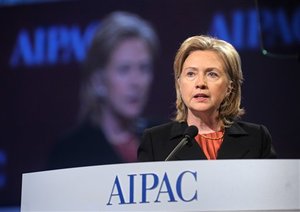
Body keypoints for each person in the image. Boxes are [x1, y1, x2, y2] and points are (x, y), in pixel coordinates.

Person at [47, 11, 160, 170]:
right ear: (98, 80)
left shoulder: (166, 140)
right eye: (124, 69)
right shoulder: (71, 152)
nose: (136, 82)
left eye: (144, 68)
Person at [138, 35, 277, 161]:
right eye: (191, 74)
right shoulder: (154, 141)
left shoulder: (257, 138)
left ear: (230, 87)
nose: (200, 84)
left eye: (212, 74)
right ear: (179, 83)